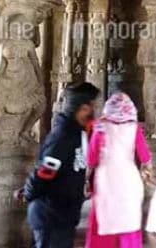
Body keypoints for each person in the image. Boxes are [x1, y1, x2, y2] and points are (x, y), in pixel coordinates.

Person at [21, 82, 100, 248]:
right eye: (92, 106)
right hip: (51, 215)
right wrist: (28, 193)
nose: (95, 111)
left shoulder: (78, 134)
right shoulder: (63, 137)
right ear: (83, 109)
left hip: (63, 215)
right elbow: (44, 172)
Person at [85, 93, 153, 248]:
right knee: (128, 221)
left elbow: (91, 158)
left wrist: (86, 178)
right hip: (128, 179)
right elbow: (145, 157)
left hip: (107, 179)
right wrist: (147, 173)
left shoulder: (100, 127)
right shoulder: (134, 128)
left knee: (103, 219)